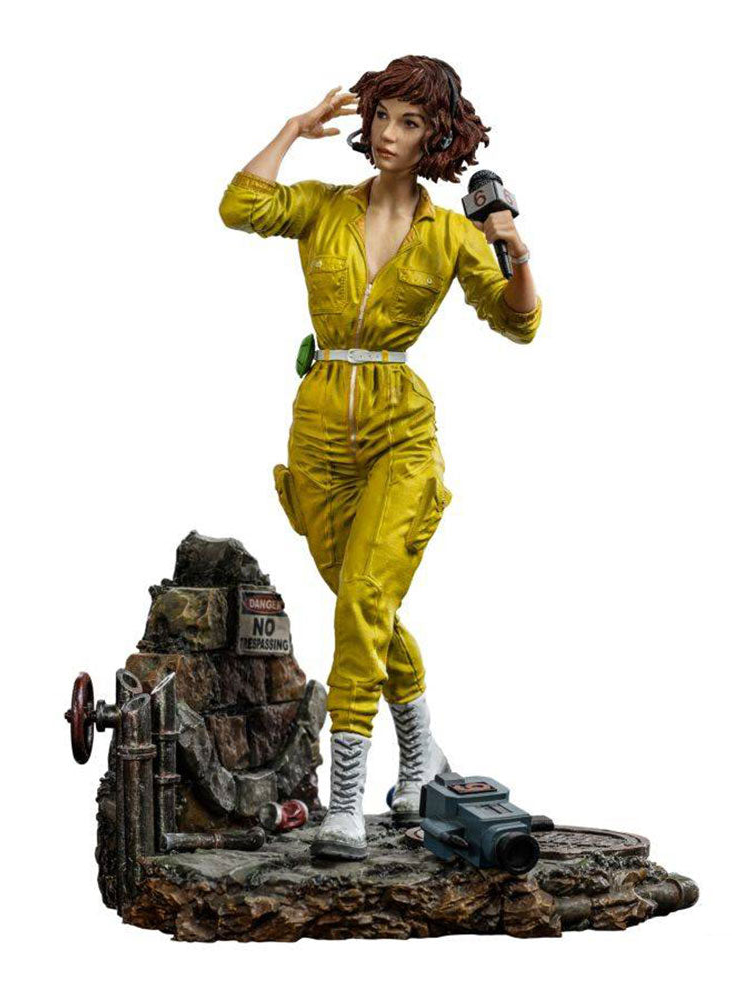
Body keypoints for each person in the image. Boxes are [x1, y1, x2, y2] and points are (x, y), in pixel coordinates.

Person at [219, 55, 541, 860]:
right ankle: (423, 759)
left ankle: (345, 803)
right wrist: (293, 129)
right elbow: (240, 205)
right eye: (383, 116)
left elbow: (519, 323)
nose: (390, 134)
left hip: (401, 430)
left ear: (438, 138)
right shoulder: (324, 207)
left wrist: (517, 252)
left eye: (411, 122)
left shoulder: (451, 234)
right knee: (365, 605)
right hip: (320, 429)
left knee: (362, 599)